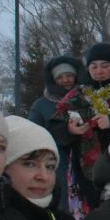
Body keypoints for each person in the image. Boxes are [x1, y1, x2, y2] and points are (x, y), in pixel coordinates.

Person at [52, 42, 110, 218]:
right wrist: (70, 130)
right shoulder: (77, 94)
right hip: (85, 168)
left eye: (105, 66)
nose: (99, 71)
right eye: (93, 66)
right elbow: (55, 124)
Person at [28, 54, 82, 199]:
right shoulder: (41, 105)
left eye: (69, 75)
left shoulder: (88, 98)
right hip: (57, 163)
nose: (65, 80)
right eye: (60, 77)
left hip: (84, 160)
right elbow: (33, 134)